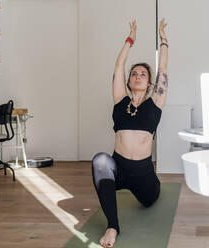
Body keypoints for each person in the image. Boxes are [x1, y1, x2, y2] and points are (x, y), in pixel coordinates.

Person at [91, 18, 169, 248]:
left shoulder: (155, 103)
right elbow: (118, 66)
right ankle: (112, 226)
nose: (137, 76)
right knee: (100, 161)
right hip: (119, 168)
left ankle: (153, 186)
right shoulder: (119, 101)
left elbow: (163, 69)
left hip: (144, 173)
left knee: (151, 199)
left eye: (143, 74)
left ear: (150, 84)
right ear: (128, 80)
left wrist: (163, 38)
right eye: (134, 73)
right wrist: (129, 40)